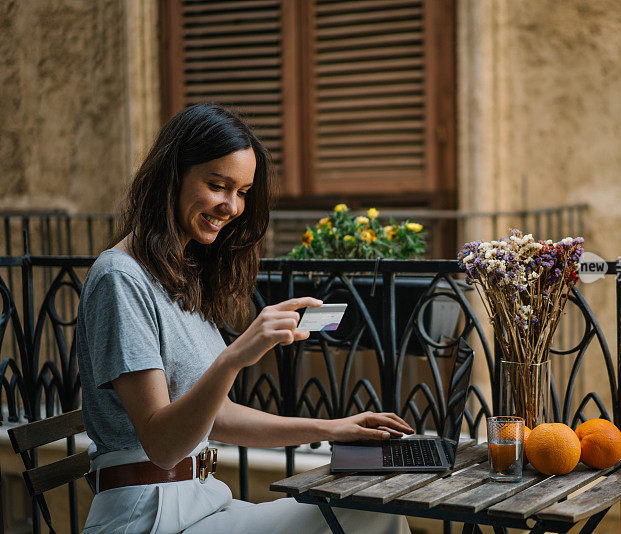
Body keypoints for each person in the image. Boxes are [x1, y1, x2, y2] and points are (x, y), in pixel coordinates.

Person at [76, 103, 413, 533]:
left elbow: (219, 416)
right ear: (172, 176)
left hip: (204, 503)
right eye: (218, 185)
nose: (232, 206)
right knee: (365, 517)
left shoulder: (180, 275)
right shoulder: (119, 277)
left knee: (371, 508)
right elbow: (161, 446)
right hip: (148, 515)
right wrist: (234, 357)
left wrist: (334, 428)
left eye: (243, 192)